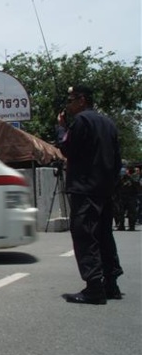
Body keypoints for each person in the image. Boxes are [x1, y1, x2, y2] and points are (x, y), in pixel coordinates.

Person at [56, 85, 123, 305]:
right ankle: (111, 284)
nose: (69, 104)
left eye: (71, 99)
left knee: (85, 235)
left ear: (82, 100)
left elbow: (67, 148)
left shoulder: (82, 121)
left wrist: (61, 129)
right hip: (104, 189)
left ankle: (94, 287)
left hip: (85, 189)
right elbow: (117, 160)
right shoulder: (109, 124)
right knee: (104, 234)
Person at [117, 167, 140, 231]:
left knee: (132, 213)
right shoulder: (119, 179)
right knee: (121, 212)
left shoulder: (133, 178)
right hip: (122, 197)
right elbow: (115, 187)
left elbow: (138, 188)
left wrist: (132, 180)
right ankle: (121, 226)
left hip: (131, 197)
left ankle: (132, 226)